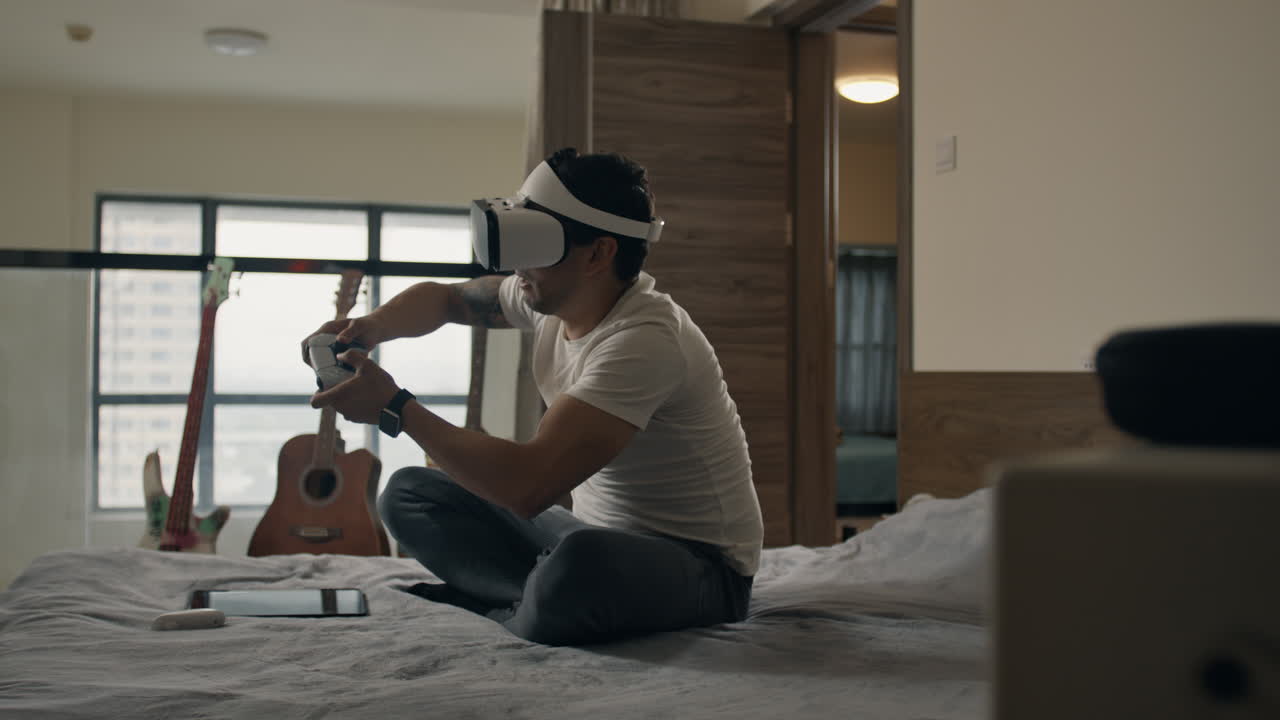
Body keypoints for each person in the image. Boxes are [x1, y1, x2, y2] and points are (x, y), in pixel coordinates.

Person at [304, 148, 762, 646]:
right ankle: (530, 600)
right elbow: (449, 299)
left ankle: (523, 601)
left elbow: (528, 486)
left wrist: (396, 408)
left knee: (578, 565)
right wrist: (368, 328)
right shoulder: (546, 296)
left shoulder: (644, 341)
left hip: (701, 568)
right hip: (583, 537)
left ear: (598, 254)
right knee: (410, 493)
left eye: (535, 243)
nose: (518, 264)